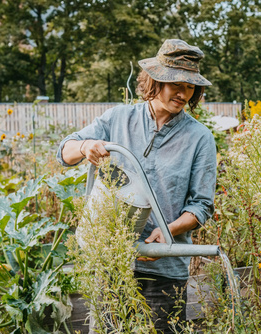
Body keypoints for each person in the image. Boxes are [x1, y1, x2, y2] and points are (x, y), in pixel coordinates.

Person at [57, 39, 217, 333]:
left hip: (164, 268)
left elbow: (201, 205)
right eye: (176, 84)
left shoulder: (199, 138)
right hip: (113, 263)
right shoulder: (119, 118)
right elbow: (64, 152)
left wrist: (168, 230)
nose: (183, 94)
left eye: (191, 87)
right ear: (155, 80)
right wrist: (85, 146)